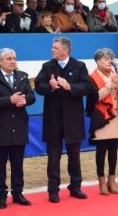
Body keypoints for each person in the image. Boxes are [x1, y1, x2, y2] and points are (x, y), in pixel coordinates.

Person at [34, 37, 94, 202]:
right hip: (53, 119)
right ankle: (53, 190)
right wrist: (50, 87)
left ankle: (75, 187)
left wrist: (70, 87)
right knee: (53, 157)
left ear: (65, 51)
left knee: (74, 156)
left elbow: (88, 87)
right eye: (52, 47)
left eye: (55, 47)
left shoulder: (79, 66)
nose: (52, 50)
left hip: (73, 119)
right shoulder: (47, 67)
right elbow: (38, 86)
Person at [0, 48, 36, 209]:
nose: (13, 61)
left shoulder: (23, 76)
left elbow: (32, 96)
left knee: (17, 164)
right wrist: (10, 100)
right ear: (0, 61)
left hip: (19, 126)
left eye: (14, 58)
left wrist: (25, 100)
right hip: (0, 128)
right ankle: (1, 196)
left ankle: (18, 193)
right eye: (9, 59)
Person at [86, 48, 118, 195]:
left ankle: (112, 180)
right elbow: (95, 98)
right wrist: (110, 84)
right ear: (98, 62)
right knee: (101, 151)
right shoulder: (92, 77)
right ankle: (102, 182)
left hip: (115, 117)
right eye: (105, 59)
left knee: (114, 151)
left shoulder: (115, 75)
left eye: (110, 58)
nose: (109, 61)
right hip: (101, 118)